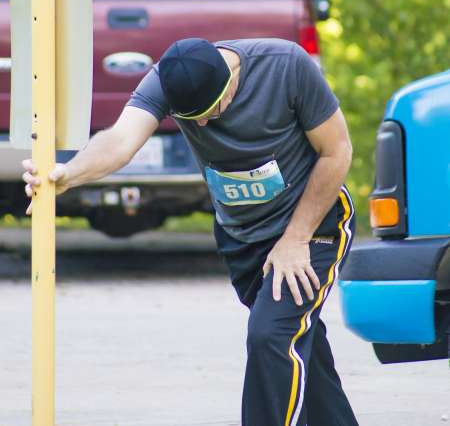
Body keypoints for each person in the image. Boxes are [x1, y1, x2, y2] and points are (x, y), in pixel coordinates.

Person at [22, 37, 358, 426]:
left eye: (209, 111)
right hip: (242, 234)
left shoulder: (285, 66)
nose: (200, 124)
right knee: (300, 355)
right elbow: (120, 141)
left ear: (231, 80)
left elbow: (338, 151)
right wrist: (69, 174)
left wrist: (296, 239)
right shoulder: (167, 79)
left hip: (311, 225)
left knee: (270, 337)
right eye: (190, 117)